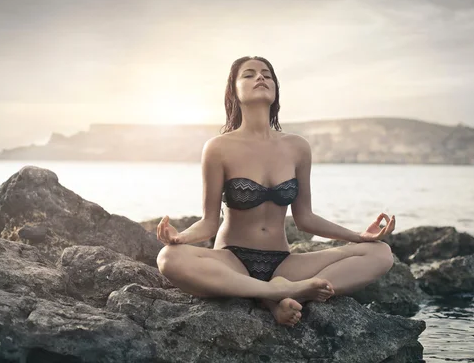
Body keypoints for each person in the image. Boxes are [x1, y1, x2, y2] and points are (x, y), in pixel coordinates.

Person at [156, 56, 396, 327]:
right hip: (233, 261)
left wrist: (359, 236)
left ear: (275, 89)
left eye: (267, 74)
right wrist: (181, 237)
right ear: (233, 90)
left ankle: (281, 292)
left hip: (283, 264)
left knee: (380, 253)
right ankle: (278, 294)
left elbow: (305, 218)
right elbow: (209, 222)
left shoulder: (297, 147)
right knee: (169, 258)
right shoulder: (218, 148)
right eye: (248, 75)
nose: (260, 78)